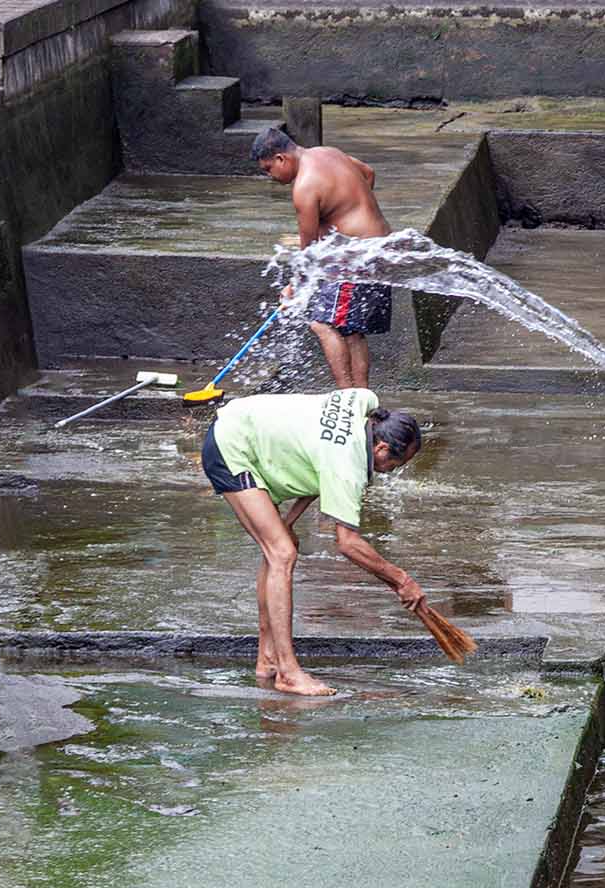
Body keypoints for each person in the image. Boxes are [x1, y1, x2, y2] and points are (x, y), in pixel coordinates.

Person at [201, 387, 425, 696]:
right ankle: (289, 674)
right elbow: (347, 543)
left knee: (277, 550)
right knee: (282, 554)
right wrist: (401, 580)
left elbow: (316, 454)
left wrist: (288, 521)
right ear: (381, 448)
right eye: (394, 465)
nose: (390, 473)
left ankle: (267, 660)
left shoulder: (364, 400)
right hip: (232, 447)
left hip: (245, 423)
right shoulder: (346, 467)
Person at [251, 127, 394, 389]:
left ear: (282, 159)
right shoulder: (328, 153)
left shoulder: (304, 187)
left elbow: (309, 251)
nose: (270, 176)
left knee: (321, 322)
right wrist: (349, 214)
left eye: (268, 169)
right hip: (378, 247)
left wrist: (295, 287)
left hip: (358, 257)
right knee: (350, 329)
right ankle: (359, 399)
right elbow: (368, 172)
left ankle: (347, 397)